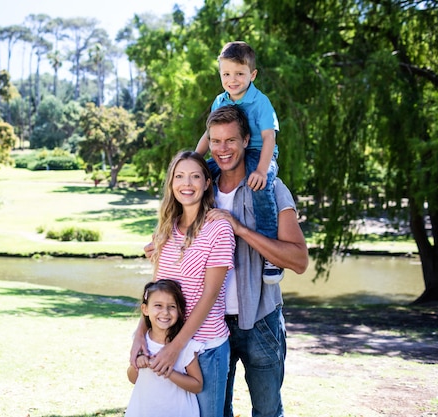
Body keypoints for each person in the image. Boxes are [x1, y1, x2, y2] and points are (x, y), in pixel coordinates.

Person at [204, 105, 309, 417]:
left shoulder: (272, 189)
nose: (222, 150)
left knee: (267, 413)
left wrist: (239, 229)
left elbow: (299, 260)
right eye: (215, 141)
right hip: (211, 324)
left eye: (231, 141)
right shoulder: (201, 190)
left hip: (262, 322)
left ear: (247, 139)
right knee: (213, 412)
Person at [130, 151, 236, 417]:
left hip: (204, 349)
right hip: (167, 345)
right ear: (171, 183)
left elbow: (210, 295)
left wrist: (174, 349)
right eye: (179, 176)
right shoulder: (166, 228)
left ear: (207, 182)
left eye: (195, 176)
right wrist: (139, 335)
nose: (186, 184)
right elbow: (155, 292)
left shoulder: (218, 228)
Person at [195, 41, 283, 285]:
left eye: (239, 74)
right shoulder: (220, 101)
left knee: (261, 187)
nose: (232, 79)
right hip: (226, 150)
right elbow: (208, 135)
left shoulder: (261, 102)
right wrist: (195, 159)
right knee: (197, 178)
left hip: (258, 151)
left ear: (252, 75)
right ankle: (195, 238)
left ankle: (270, 256)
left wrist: (262, 171)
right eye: (226, 74)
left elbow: (269, 138)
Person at [126, 279, 204, 417]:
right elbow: (132, 379)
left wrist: (169, 372)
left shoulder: (186, 347)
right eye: (158, 305)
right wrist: (137, 364)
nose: (165, 312)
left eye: (172, 306)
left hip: (178, 412)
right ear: (145, 309)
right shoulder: (142, 343)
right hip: (145, 411)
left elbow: (197, 385)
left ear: (179, 311)